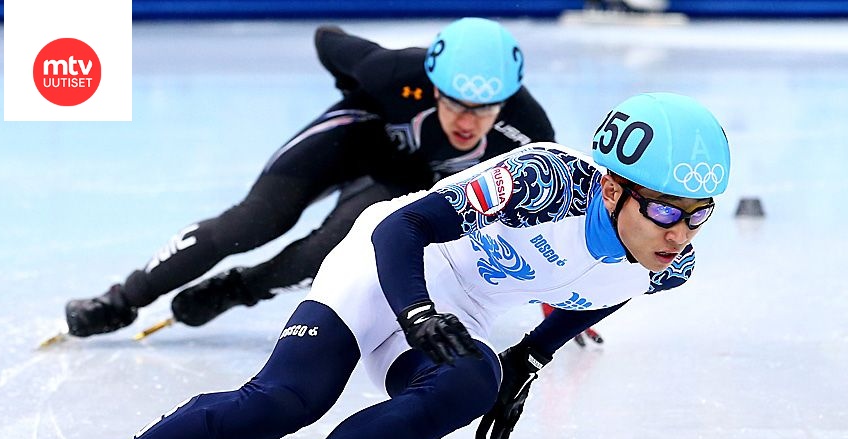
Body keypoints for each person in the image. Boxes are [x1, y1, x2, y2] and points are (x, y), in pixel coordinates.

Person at [14, 93, 730, 439]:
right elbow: (404, 229)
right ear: (609, 185)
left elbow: (606, 290)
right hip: (386, 261)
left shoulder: (670, 262)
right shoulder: (548, 182)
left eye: (699, 214)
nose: (680, 232)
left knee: (473, 382)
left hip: (461, 310)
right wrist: (414, 312)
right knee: (288, 401)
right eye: (665, 209)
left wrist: (532, 357)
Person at [63, 17, 554, 338]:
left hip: (400, 181)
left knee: (326, 253)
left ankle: (239, 288)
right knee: (252, 222)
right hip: (354, 137)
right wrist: (359, 93)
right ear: (432, 85)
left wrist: (553, 303)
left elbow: (545, 214)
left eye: (484, 108)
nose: (466, 122)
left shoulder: (528, 132)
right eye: (453, 102)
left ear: (505, 100)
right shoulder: (393, 71)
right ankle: (121, 299)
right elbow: (327, 39)